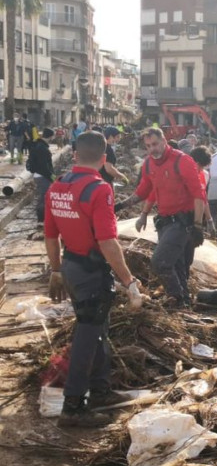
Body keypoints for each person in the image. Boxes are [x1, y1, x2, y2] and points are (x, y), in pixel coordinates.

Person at [44, 130, 143, 427]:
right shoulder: (100, 190)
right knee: (87, 335)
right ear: (103, 159)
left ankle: (100, 390)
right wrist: (129, 282)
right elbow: (108, 242)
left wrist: (56, 269)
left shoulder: (57, 187)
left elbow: (51, 235)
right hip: (91, 272)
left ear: (75, 155)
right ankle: (73, 407)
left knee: (99, 328)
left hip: (71, 268)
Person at [115, 128, 206, 307]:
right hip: (164, 223)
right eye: (148, 146)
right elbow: (144, 191)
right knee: (178, 265)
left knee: (160, 262)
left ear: (164, 141)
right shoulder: (149, 164)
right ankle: (184, 303)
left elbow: (199, 195)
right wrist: (120, 206)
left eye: (155, 144)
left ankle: (176, 298)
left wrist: (198, 225)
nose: (152, 149)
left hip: (182, 224)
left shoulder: (182, 161)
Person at [27, 127, 55, 223]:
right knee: (43, 198)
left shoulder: (37, 145)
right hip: (42, 176)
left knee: (43, 197)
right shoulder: (43, 148)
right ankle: (41, 220)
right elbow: (44, 166)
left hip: (38, 175)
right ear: (50, 137)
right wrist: (51, 176)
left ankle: (42, 218)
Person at [100, 126, 129, 190]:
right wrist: (122, 177)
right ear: (110, 137)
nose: (119, 139)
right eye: (117, 137)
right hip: (105, 182)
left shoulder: (100, 146)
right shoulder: (108, 150)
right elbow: (109, 169)